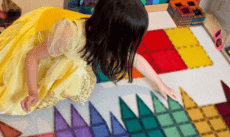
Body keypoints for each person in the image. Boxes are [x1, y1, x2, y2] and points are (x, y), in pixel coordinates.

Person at [0, 0, 178, 115]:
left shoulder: (102, 31)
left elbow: (135, 58)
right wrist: (33, 92)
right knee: (12, 91)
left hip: (65, 41)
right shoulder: (69, 37)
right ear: (115, 34)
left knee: (73, 67)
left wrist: (160, 84)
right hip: (41, 32)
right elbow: (32, 56)